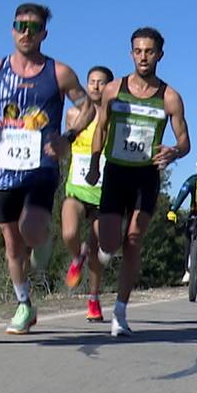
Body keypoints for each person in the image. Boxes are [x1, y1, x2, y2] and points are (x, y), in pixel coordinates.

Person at [0, 3, 91, 335]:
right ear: (12, 29)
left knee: (32, 232)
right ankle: (24, 305)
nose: (26, 32)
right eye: (20, 25)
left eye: (33, 27)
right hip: (3, 167)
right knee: (11, 243)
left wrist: (69, 137)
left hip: (41, 165)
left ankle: (43, 240)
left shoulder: (59, 72)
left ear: (44, 34)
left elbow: (88, 107)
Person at [84, 27, 191, 337]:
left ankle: (120, 311)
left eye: (149, 51)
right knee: (109, 242)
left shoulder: (170, 97)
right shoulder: (114, 90)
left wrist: (174, 152)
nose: (143, 57)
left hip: (146, 176)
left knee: (133, 240)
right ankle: (104, 247)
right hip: (116, 170)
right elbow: (101, 129)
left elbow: (184, 141)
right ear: (131, 54)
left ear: (160, 54)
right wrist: (94, 164)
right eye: (138, 51)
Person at [62, 65, 114, 323]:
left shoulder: (113, 118)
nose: (95, 86)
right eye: (91, 81)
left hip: (103, 193)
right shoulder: (72, 114)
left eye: (101, 82)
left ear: (110, 87)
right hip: (76, 189)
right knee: (69, 232)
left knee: (96, 252)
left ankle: (93, 299)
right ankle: (76, 256)